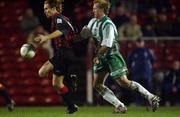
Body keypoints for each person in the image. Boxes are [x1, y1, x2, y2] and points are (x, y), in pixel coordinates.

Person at [84, 0, 160, 113]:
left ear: (103, 10)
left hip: (112, 56)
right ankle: (120, 106)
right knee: (97, 85)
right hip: (101, 57)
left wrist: (97, 56)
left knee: (124, 83)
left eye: (95, 8)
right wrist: (77, 34)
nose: (93, 10)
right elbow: (85, 33)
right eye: (93, 8)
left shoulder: (108, 25)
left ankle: (151, 97)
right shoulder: (92, 22)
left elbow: (107, 45)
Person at [34, 0, 78, 114]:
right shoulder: (62, 18)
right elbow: (72, 31)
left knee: (46, 75)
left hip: (64, 54)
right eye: (44, 9)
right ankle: (71, 106)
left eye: (46, 9)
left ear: (53, 9)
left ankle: (69, 78)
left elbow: (62, 31)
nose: (45, 11)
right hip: (62, 53)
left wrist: (46, 37)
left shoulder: (58, 18)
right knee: (54, 82)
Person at [128, 39, 155, 105]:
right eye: (138, 42)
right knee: (137, 88)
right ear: (136, 43)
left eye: (141, 42)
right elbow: (129, 61)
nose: (140, 43)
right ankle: (138, 102)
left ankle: (149, 102)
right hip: (137, 73)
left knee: (148, 87)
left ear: (143, 42)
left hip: (146, 73)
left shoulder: (147, 51)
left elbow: (152, 60)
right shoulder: (133, 52)